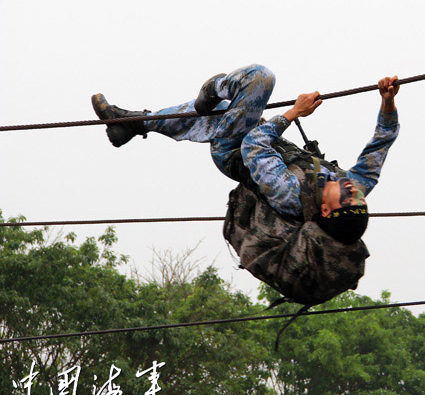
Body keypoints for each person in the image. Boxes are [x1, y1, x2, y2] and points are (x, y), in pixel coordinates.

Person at [90, 64, 400, 306]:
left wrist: (294, 112)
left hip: (235, 150)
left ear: (325, 209)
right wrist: (388, 102)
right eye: (358, 197)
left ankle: (213, 88)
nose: (352, 190)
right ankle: (130, 124)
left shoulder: (290, 195)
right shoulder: (351, 186)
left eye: (347, 198)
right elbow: (380, 146)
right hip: (262, 141)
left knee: (259, 79)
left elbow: (254, 145)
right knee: (219, 115)